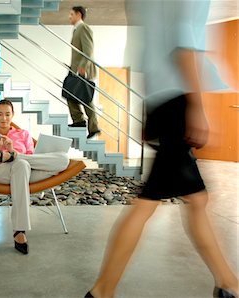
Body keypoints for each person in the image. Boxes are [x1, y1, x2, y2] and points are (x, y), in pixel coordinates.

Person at [85, 1, 238, 297]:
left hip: (160, 100)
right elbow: (184, 42)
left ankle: (227, 283)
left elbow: (146, 48)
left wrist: (150, 109)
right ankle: (102, 291)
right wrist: (196, 106)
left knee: (195, 200)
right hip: (177, 100)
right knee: (149, 203)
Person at [0, 99, 70, 255]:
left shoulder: (24, 134)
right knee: (22, 164)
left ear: (13, 115)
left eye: (7, 114)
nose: (4, 118)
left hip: (24, 170)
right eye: (0, 114)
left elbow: (32, 160)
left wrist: (12, 151)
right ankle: (19, 232)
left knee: (62, 159)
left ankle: (19, 230)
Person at [65, 6, 100, 139]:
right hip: (75, 70)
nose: (69, 17)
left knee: (85, 98)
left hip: (83, 70)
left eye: (71, 14)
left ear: (79, 14)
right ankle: (79, 120)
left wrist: (83, 67)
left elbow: (88, 50)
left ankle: (93, 127)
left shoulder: (83, 28)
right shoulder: (76, 30)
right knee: (69, 93)